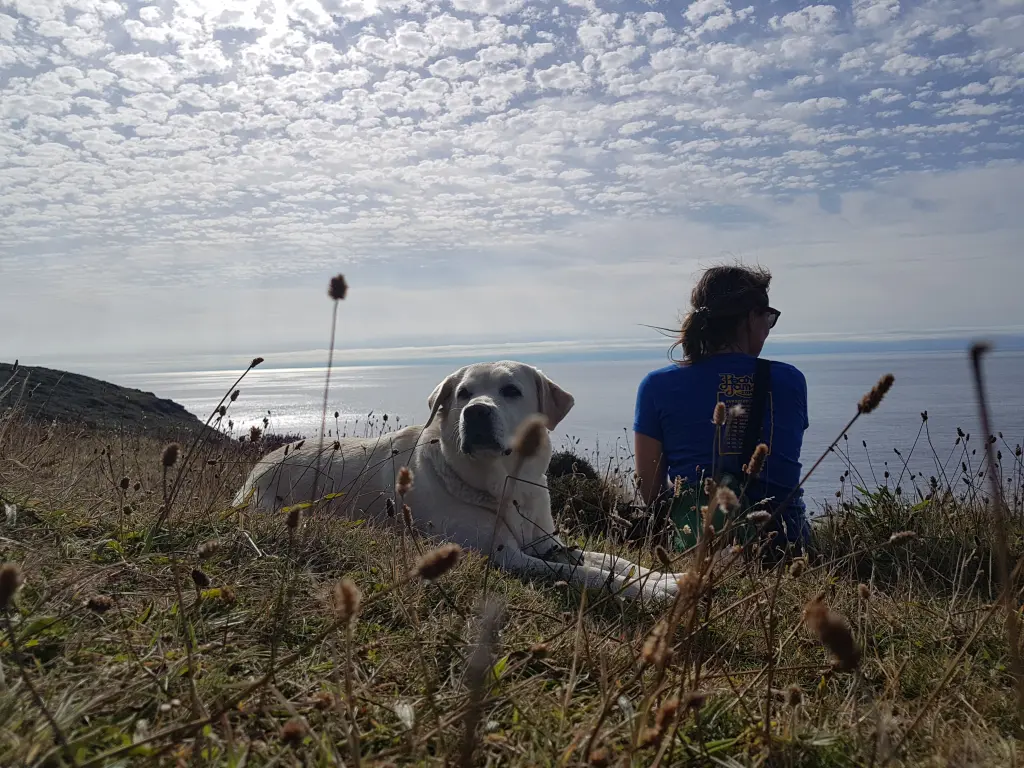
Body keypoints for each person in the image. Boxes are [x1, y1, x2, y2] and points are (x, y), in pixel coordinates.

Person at [632, 263, 810, 556]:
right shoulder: (790, 380)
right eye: (768, 317)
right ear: (750, 318)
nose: (768, 327)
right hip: (786, 546)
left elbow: (651, 493)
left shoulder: (656, 386)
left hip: (698, 546)